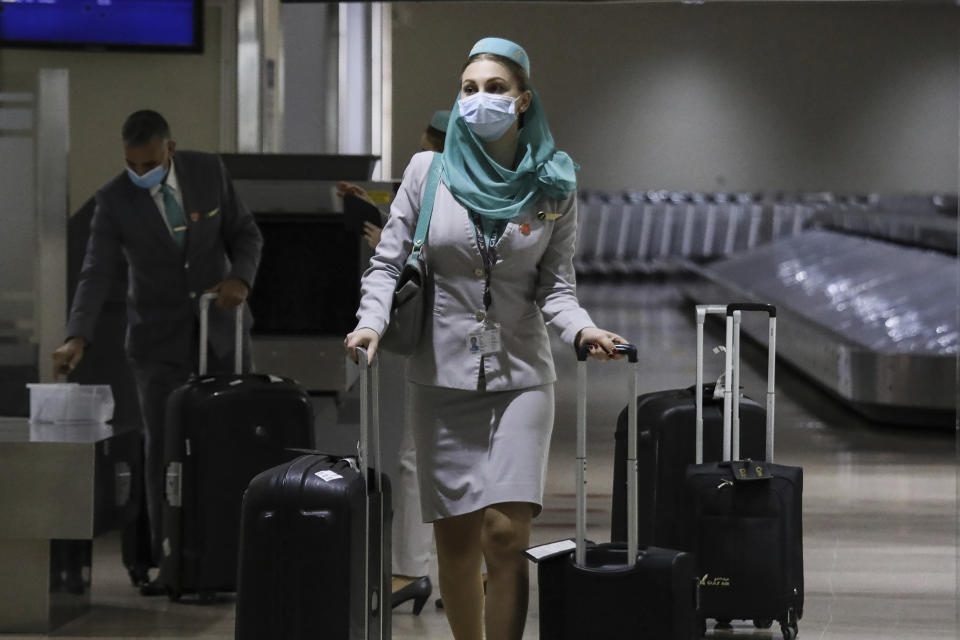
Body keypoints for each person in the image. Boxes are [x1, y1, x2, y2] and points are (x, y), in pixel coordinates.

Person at [344, 38, 627, 640]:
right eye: (469, 89)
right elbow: (389, 263)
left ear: (523, 100)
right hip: (440, 376)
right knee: (456, 542)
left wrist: (583, 330)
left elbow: (556, 286)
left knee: (506, 532)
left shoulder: (553, 183)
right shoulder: (429, 170)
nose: (479, 101)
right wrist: (370, 322)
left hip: (522, 377)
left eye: (495, 89)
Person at [52, 109, 262, 596]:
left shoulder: (208, 172)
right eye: (131, 164)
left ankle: (234, 559)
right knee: (164, 454)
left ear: (169, 149)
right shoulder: (114, 200)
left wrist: (239, 279)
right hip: (156, 343)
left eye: (147, 163)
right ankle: (169, 563)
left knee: (232, 444)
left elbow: (246, 234)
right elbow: (95, 272)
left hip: (221, 333)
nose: (139, 173)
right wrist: (77, 337)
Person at [336, 109, 450, 615]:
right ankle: (462, 571)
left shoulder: (435, 177)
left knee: (416, 458)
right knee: (454, 459)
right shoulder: (477, 184)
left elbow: (426, 256)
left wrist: (387, 246)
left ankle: (415, 568)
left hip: (440, 339)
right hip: (466, 343)